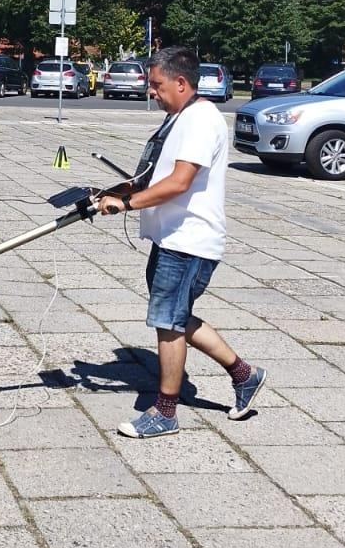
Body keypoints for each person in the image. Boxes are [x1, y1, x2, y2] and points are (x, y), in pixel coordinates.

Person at [96, 46, 266, 438]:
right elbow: (154, 175)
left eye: (156, 85)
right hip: (171, 236)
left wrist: (126, 204)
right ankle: (245, 375)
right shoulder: (180, 118)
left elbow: (179, 182)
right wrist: (110, 192)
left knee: (167, 322)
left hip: (189, 240)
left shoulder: (201, 120)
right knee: (176, 316)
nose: (151, 91)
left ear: (181, 83)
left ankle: (166, 412)